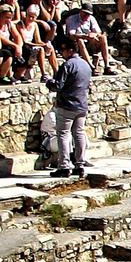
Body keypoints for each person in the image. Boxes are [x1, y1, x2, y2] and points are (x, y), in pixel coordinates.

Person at [46, 37, 93, 178]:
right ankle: (79, 164)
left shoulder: (67, 65)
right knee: (78, 134)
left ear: (70, 50)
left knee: (63, 134)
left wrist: (48, 81)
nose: (62, 53)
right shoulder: (85, 64)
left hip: (67, 105)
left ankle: (64, 166)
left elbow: (58, 86)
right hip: (82, 104)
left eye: (63, 50)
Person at [63, 4, 111, 72]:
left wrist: (93, 34)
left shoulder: (91, 18)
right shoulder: (72, 19)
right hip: (77, 45)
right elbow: (71, 35)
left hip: (89, 43)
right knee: (80, 40)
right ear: (81, 11)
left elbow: (98, 32)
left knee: (103, 38)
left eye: (88, 14)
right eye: (85, 13)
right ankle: (91, 66)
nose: (86, 16)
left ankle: (107, 66)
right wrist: (85, 36)